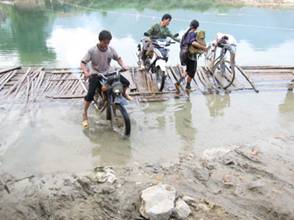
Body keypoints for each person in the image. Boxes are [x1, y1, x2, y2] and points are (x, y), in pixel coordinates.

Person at [80, 30, 131, 128]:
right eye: (105, 42)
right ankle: (85, 114)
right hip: (96, 74)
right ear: (100, 40)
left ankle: (124, 93)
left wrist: (124, 65)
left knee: (126, 83)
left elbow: (118, 58)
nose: (106, 45)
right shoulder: (92, 50)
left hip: (109, 72)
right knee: (90, 95)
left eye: (108, 42)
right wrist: (86, 72)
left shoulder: (110, 49)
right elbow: (82, 62)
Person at [176, 20, 207, 95]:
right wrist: (203, 47)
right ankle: (187, 86)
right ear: (196, 27)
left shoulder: (186, 33)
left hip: (184, 54)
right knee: (192, 72)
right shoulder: (192, 33)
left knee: (188, 70)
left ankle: (179, 83)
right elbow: (193, 42)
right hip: (191, 56)